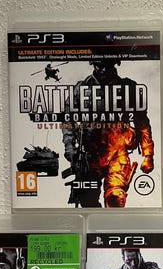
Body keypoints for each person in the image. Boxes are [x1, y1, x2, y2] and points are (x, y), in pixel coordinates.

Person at [62, 59, 155, 208]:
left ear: (115, 64)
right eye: (100, 66)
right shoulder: (81, 89)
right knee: (88, 202)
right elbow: (68, 121)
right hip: (90, 156)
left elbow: (142, 122)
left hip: (118, 154)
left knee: (115, 200)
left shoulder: (128, 88)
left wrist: (148, 155)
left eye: (108, 65)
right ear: (93, 64)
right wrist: (70, 147)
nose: (104, 70)